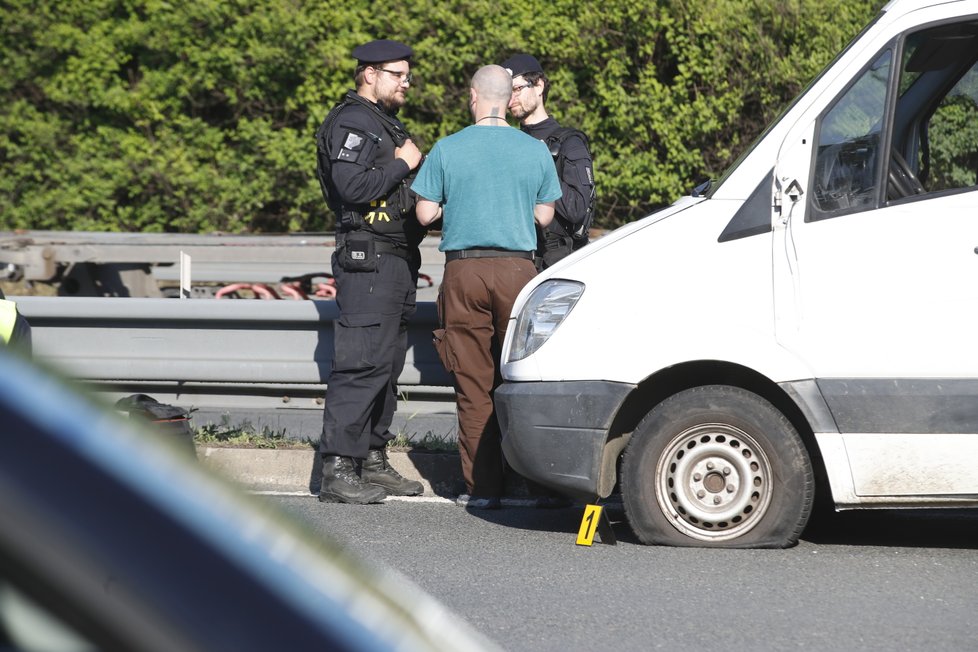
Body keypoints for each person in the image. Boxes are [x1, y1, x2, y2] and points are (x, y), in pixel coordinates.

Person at [412, 65, 561, 509]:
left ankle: (483, 490)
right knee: (521, 378)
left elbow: (423, 214)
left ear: (474, 97)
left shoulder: (447, 148)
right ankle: (539, 485)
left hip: (465, 272)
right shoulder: (533, 149)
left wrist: (458, 205)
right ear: (505, 97)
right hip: (518, 272)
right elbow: (545, 217)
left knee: (473, 383)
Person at [314, 39, 426, 504]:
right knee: (361, 363)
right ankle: (339, 468)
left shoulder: (382, 121)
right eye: (398, 74)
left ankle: (372, 458)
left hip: (394, 258)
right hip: (368, 258)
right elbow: (352, 185)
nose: (406, 82)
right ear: (369, 73)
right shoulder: (353, 121)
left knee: (386, 364)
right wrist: (404, 162)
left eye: (406, 75)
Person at [501, 53, 596, 270]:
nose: (511, 99)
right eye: (507, 93)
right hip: (513, 262)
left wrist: (540, 164)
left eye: (516, 89)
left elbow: (577, 209)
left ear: (539, 86)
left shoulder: (569, 143)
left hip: (555, 264)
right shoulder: (507, 143)